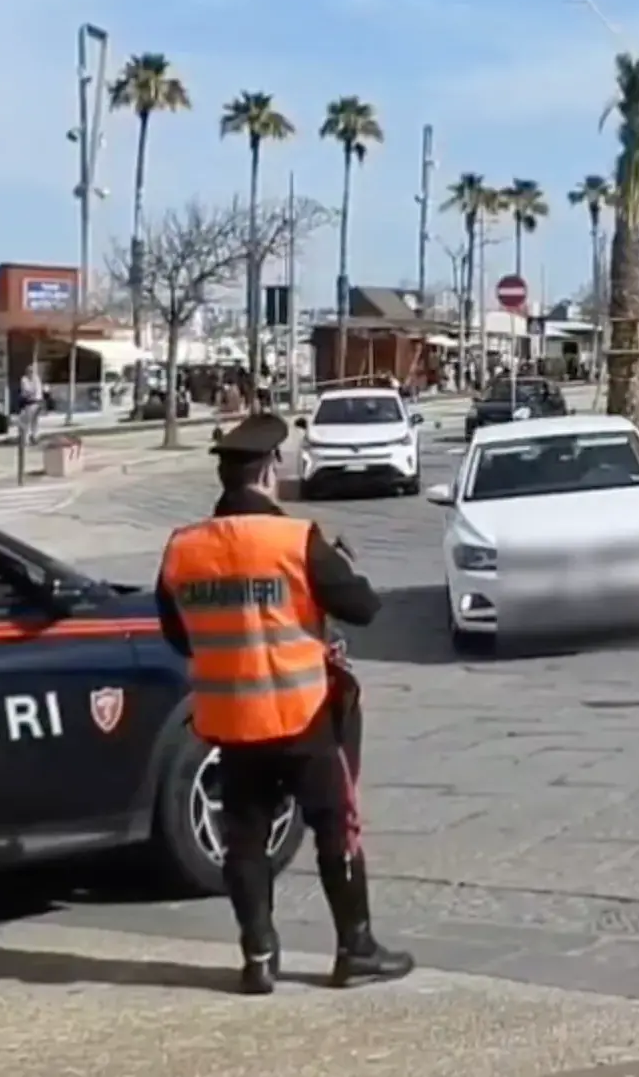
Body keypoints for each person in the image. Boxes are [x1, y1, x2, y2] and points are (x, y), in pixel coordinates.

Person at [153, 413, 414, 996]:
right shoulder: (295, 540)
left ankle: (259, 957)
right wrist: (342, 565)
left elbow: (177, 635)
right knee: (334, 827)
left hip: (230, 721)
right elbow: (364, 607)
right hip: (304, 718)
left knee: (244, 838)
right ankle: (356, 948)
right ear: (270, 470)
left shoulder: (183, 549)